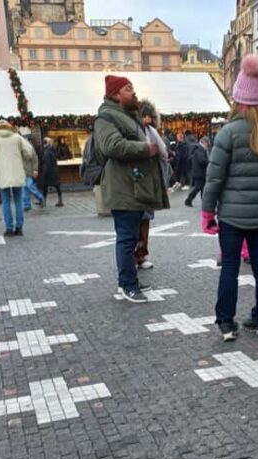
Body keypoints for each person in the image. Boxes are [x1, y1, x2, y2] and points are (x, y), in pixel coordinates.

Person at [202, 54, 258, 340]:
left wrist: (207, 212)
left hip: (231, 218)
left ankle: (226, 323)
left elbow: (214, 178)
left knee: (230, 268)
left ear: (237, 99)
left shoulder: (228, 133)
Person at [93, 75, 169, 303]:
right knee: (126, 238)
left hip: (134, 186)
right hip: (123, 187)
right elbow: (112, 146)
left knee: (132, 236)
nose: (133, 92)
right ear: (116, 94)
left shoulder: (127, 116)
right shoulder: (106, 118)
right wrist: (146, 149)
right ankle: (127, 285)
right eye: (128, 89)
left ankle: (130, 280)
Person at [0, 119, 37, 236]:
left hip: (2, 174)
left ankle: (8, 228)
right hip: (17, 172)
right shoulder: (17, 137)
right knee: (18, 200)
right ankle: (19, 227)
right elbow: (29, 152)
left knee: (6, 201)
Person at [136, 99, 172, 271]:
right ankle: (134, 256)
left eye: (149, 116)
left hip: (149, 181)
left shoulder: (152, 132)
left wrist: (163, 182)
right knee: (134, 222)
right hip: (134, 182)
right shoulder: (133, 131)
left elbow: (163, 155)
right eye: (144, 116)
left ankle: (141, 255)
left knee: (145, 220)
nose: (147, 120)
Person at [184, 136, 210, 207]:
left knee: (202, 188)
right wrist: (209, 162)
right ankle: (188, 200)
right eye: (207, 144)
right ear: (204, 142)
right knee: (199, 187)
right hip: (199, 172)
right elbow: (201, 161)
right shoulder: (200, 149)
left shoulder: (198, 148)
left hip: (198, 172)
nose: (207, 146)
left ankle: (204, 202)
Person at [39, 137, 63, 207]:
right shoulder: (53, 149)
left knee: (45, 187)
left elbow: (47, 163)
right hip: (54, 171)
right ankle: (60, 201)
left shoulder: (46, 151)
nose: (43, 144)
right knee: (57, 186)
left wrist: (45, 172)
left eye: (44, 142)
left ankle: (44, 202)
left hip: (48, 172)